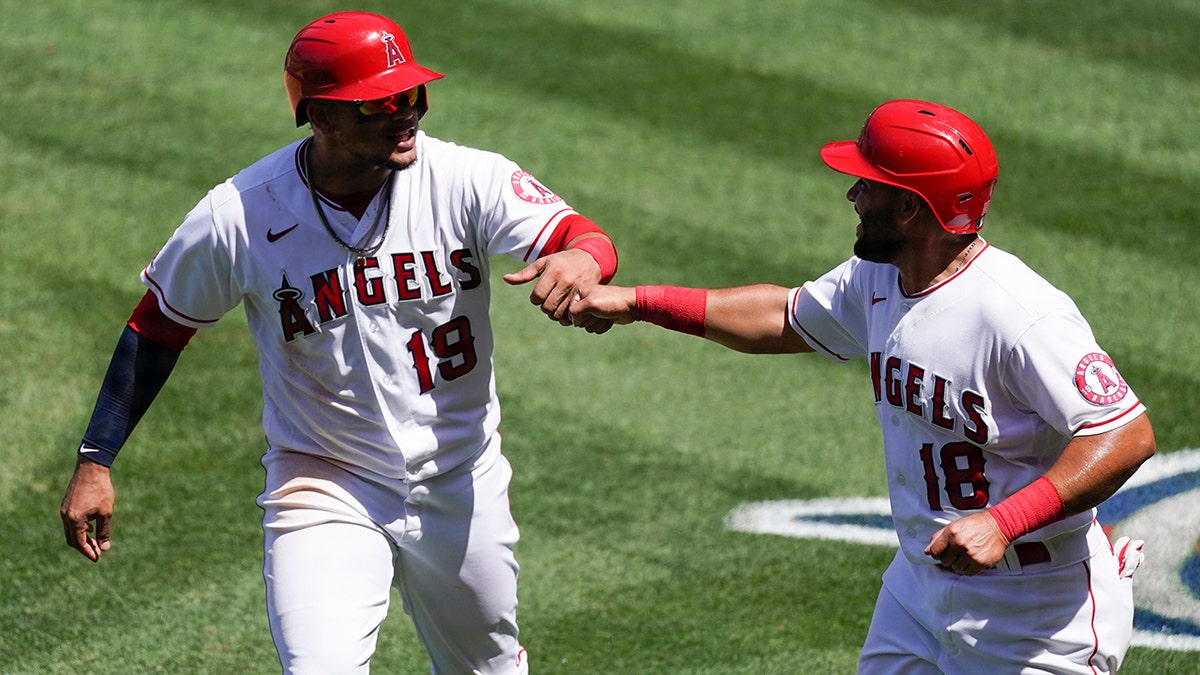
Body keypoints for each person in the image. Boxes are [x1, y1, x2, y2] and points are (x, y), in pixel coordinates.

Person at [59, 11, 618, 674]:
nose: (405, 113)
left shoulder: (466, 179)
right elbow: (157, 327)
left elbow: (582, 236)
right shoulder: (240, 212)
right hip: (324, 483)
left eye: (412, 94)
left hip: (461, 477)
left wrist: (585, 259)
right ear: (321, 117)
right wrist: (97, 459)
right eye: (381, 103)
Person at [569, 99, 1156, 673]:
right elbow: (782, 317)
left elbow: (1125, 435)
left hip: (1034, 608)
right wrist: (639, 303)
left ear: (907, 207)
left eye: (866, 185)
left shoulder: (1018, 315)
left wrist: (1006, 521)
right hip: (918, 588)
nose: (852, 195)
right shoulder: (880, 277)